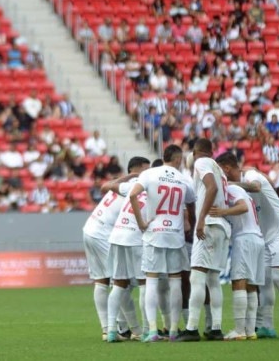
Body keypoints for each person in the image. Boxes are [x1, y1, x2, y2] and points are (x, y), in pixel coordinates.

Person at [216, 152, 279, 339]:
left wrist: (229, 184)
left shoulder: (250, 176)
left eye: (221, 171)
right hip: (264, 236)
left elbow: (255, 186)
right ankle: (266, 326)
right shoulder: (237, 189)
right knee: (264, 281)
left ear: (227, 168)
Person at [128, 145, 196, 342]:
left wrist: (141, 222)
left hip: (154, 233)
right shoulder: (184, 179)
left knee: (151, 280)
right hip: (175, 235)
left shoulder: (149, 174)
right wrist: (189, 223)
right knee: (175, 281)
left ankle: (152, 330)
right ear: (177, 159)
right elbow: (191, 203)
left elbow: (133, 195)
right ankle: (174, 330)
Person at [82, 158, 149, 341]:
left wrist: (129, 175)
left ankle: (110, 329)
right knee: (121, 282)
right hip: (104, 232)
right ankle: (134, 329)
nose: (148, 172)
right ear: (136, 170)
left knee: (101, 281)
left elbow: (104, 187)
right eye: (145, 169)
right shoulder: (136, 185)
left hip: (90, 228)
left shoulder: (121, 183)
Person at [177, 138, 230, 342]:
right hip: (222, 227)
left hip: (208, 224)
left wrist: (200, 219)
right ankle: (215, 328)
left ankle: (191, 328)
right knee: (214, 280)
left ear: (196, 151)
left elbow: (212, 188)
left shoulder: (201, 162)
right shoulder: (219, 169)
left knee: (196, 277)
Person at [103, 157, 151, 342]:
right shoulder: (153, 188)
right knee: (144, 283)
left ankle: (112, 331)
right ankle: (147, 331)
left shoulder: (133, 185)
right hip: (135, 237)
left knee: (119, 284)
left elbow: (108, 187)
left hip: (117, 234)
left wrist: (128, 177)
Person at [208, 184, 264, 340]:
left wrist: (222, 212)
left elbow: (242, 207)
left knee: (239, 282)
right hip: (257, 238)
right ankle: (250, 330)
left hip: (244, 238)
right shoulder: (243, 191)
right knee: (252, 286)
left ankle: (240, 330)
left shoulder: (231, 189)